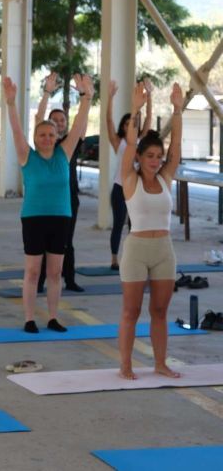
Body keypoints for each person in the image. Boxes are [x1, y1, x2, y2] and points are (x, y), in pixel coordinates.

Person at [3, 74, 92, 333]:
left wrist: (86, 98)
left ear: (57, 136)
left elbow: (78, 125)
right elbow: (16, 130)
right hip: (34, 219)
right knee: (33, 271)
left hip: (60, 218)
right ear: (35, 137)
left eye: (51, 134)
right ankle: (29, 318)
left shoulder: (64, 153)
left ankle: (53, 317)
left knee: (55, 272)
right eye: (42, 134)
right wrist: (11, 103)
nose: (47, 138)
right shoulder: (26, 156)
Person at [118, 82, 183, 380]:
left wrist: (177, 110)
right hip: (136, 251)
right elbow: (131, 142)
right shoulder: (130, 179)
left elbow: (177, 146)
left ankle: (160, 363)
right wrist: (136, 109)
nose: (156, 161)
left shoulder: (166, 178)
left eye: (159, 156)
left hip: (164, 251)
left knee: (159, 311)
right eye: (150, 156)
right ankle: (125, 365)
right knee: (131, 311)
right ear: (139, 158)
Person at [34, 72, 87, 293]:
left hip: (68, 199)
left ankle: (70, 280)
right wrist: (47, 92)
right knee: (43, 242)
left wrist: (85, 96)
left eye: (62, 120)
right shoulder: (44, 142)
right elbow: (39, 119)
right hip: (44, 200)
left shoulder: (69, 144)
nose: (58, 123)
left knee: (66, 241)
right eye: (54, 120)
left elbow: (81, 124)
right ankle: (39, 282)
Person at [106, 79, 153, 269]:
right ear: (123, 127)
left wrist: (149, 96)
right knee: (118, 223)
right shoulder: (118, 142)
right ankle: (114, 259)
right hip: (119, 188)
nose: (128, 126)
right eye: (125, 124)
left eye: (131, 123)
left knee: (135, 225)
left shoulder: (141, 140)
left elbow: (148, 119)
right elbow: (108, 121)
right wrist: (110, 97)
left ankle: (133, 258)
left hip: (136, 189)